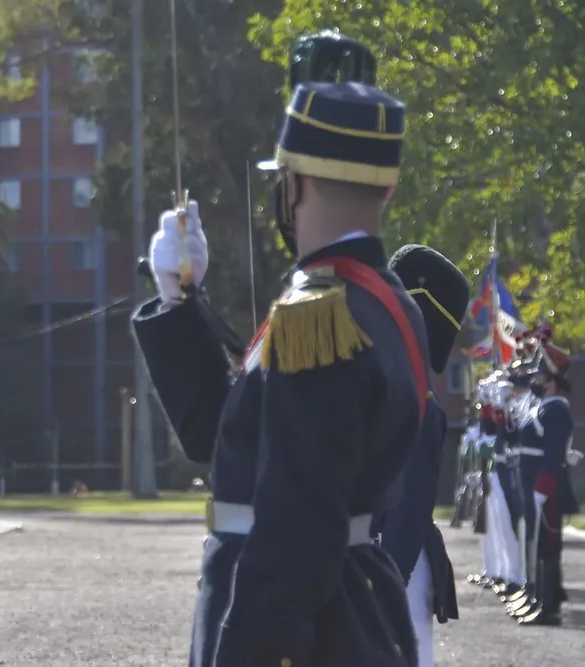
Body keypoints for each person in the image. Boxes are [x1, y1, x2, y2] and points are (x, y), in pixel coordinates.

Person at [136, 80, 429, 667]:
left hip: (310, 626)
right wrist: (180, 304)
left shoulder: (319, 315)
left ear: (292, 185)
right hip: (352, 603)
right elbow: (229, 438)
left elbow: (295, 527)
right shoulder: (390, 302)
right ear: (387, 187)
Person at [372, 244, 468, 667]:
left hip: (397, 564)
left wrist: (384, 583)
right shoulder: (392, 386)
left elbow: (408, 508)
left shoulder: (416, 400)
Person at [509, 339, 574, 625]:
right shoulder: (544, 407)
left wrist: (542, 488)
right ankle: (539, 597)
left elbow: (554, 454)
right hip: (533, 481)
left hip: (545, 486)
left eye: (540, 376)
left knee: (547, 543)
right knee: (536, 542)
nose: (534, 380)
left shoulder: (556, 409)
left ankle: (549, 607)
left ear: (551, 380)